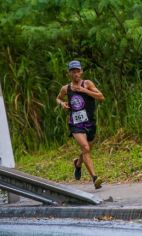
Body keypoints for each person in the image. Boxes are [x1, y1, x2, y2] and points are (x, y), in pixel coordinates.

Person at [56, 60, 104, 189]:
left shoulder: (87, 84)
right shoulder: (66, 88)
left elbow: (100, 97)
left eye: (78, 71)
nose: (76, 74)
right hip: (75, 123)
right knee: (86, 148)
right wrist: (62, 103)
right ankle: (95, 178)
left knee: (86, 148)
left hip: (90, 122)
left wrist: (83, 90)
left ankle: (78, 164)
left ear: (81, 72)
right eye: (73, 71)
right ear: (69, 73)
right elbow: (58, 98)